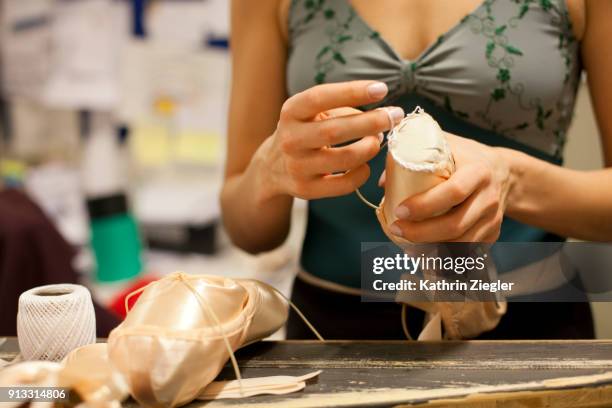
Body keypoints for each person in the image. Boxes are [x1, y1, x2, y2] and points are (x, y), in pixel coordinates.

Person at [221, 0, 612, 339]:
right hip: (333, 334)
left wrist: (512, 179)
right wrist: (269, 172)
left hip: (535, 329)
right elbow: (247, 230)